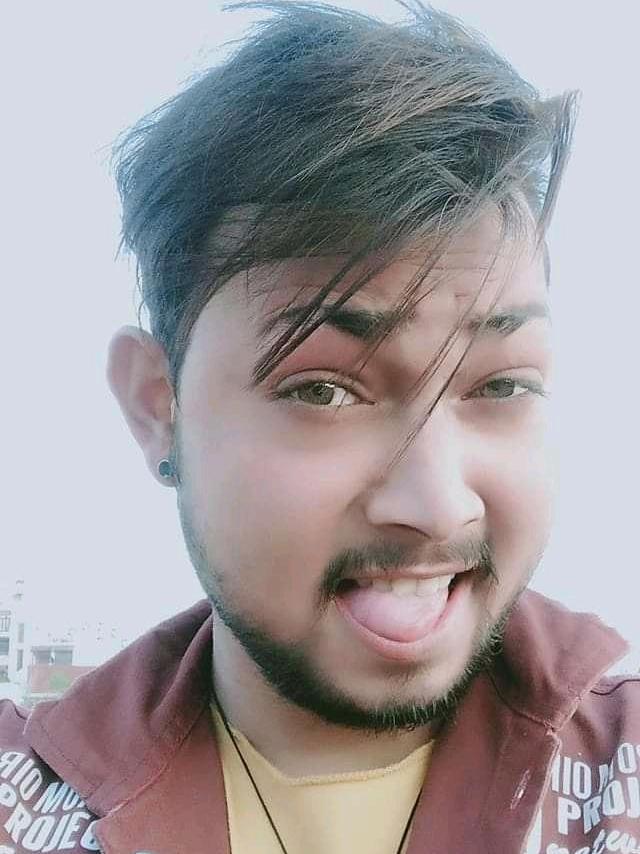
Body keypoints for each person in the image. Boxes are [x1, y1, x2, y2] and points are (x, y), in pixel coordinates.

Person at [1, 2, 639, 852]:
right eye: (324, 391)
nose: (438, 506)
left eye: (502, 384)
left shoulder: (619, 777)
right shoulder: (26, 805)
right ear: (160, 408)